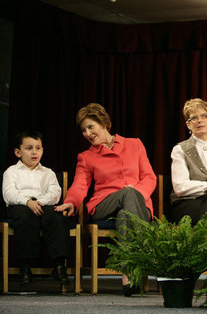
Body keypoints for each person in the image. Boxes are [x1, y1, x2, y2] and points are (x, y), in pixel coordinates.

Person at [55, 103, 156, 296]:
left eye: (90, 127)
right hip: (103, 204)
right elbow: (80, 184)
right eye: (83, 130)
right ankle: (148, 248)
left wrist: (137, 193)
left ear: (103, 123)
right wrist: (71, 201)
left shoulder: (134, 144)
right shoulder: (86, 157)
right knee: (128, 194)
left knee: (125, 214)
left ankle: (129, 276)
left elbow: (149, 177)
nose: (87, 133)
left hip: (137, 203)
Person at [2, 131, 70, 286]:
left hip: (43, 205)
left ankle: (59, 266)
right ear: (17, 152)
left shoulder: (48, 173)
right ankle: (25, 267)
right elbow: (9, 193)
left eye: (38, 148)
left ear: (42, 150)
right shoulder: (11, 172)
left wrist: (39, 202)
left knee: (58, 218)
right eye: (29, 148)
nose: (34, 152)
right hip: (20, 205)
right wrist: (27, 202)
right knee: (25, 218)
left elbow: (55, 193)